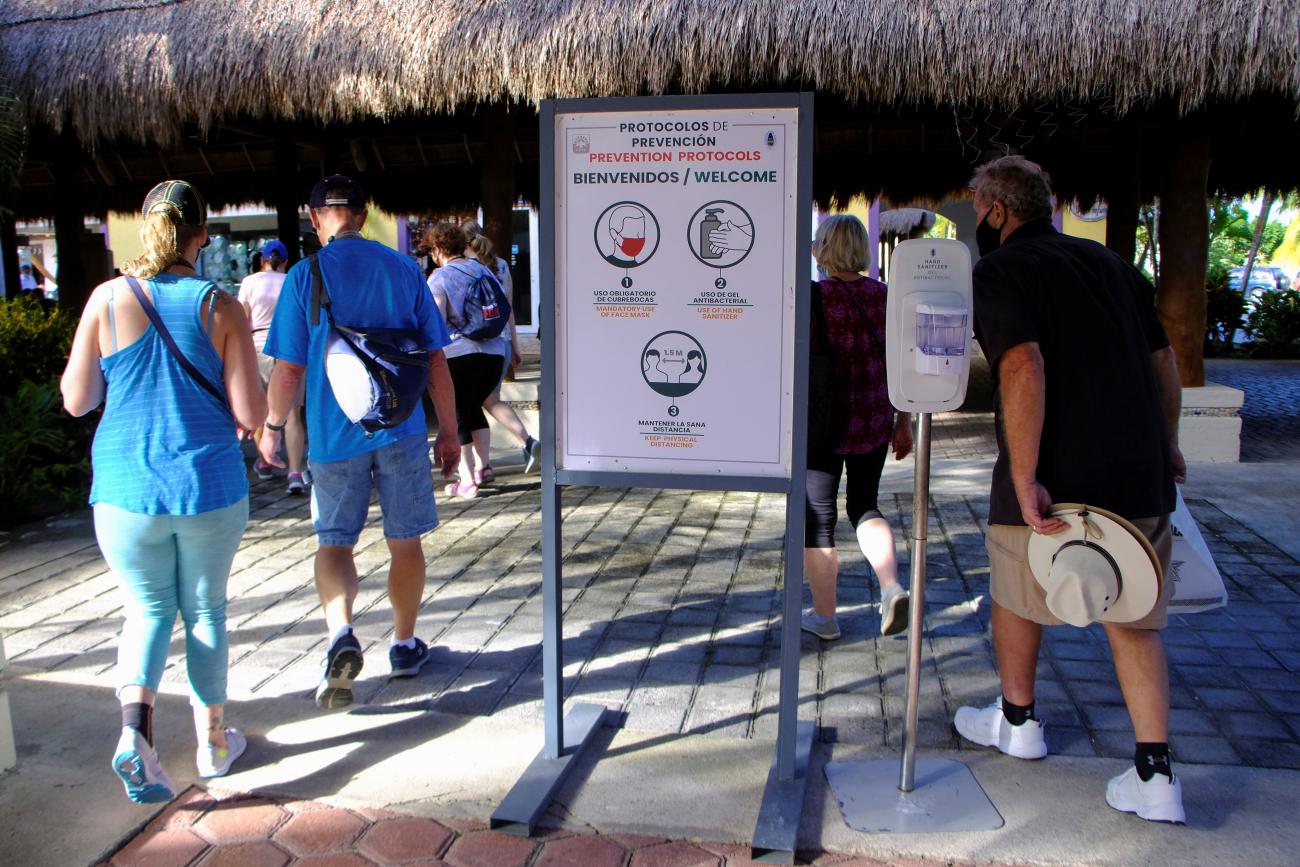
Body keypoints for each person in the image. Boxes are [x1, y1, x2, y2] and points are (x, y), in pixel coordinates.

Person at [953, 156, 1187, 823]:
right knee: (1134, 613)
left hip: (1052, 470)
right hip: (1136, 469)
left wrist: (1024, 478)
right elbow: (1163, 363)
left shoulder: (1000, 270)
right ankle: (1155, 772)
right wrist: (1166, 443)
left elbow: (1023, 365)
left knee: (1015, 587)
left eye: (979, 208)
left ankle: (1018, 720)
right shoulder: (1116, 268)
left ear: (998, 210)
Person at [60, 180, 265, 803]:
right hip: (207, 485)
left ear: (147, 230)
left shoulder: (105, 298)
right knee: (206, 612)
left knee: (146, 610)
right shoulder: (221, 306)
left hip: (124, 490)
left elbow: (76, 402)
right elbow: (251, 414)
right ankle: (214, 744)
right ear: (201, 236)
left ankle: (135, 738)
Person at [258, 175, 460, 709]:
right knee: (405, 540)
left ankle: (341, 633)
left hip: (331, 435)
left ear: (314, 214)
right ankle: (403, 643)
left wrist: (273, 428)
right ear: (365, 212)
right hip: (402, 428)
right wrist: (452, 432)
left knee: (334, 543)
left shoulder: (305, 275)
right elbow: (435, 358)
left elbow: (288, 369)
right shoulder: (403, 268)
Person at [801, 214, 914, 641]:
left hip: (822, 421)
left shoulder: (813, 298)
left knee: (820, 520)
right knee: (864, 504)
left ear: (824, 249)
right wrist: (903, 422)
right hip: (873, 417)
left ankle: (826, 619)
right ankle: (890, 587)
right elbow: (901, 365)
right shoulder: (886, 296)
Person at [425, 221, 508, 498]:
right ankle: (484, 469)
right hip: (494, 354)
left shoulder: (439, 277)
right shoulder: (483, 269)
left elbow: (435, 319)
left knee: (457, 413)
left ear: (437, 249)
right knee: (474, 409)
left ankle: (467, 481)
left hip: (459, 354)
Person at [459, 221, 540, 482]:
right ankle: (492, 462)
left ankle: (486, 463)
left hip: (473, 345)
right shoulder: (502, 265)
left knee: (474, 404)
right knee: (487, 399)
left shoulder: (459, 267)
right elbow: (508, 310)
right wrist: (514, 345)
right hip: (500, 342)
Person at [239, 239, 308, 493]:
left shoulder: (249, 283)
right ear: (286, 261)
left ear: (261, 260)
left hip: (258, 348)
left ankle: (265, 461)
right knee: (293, 416)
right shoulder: (293, 280)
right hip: (291, 349)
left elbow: (242, 321)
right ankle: (294, 473)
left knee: (260, 411)